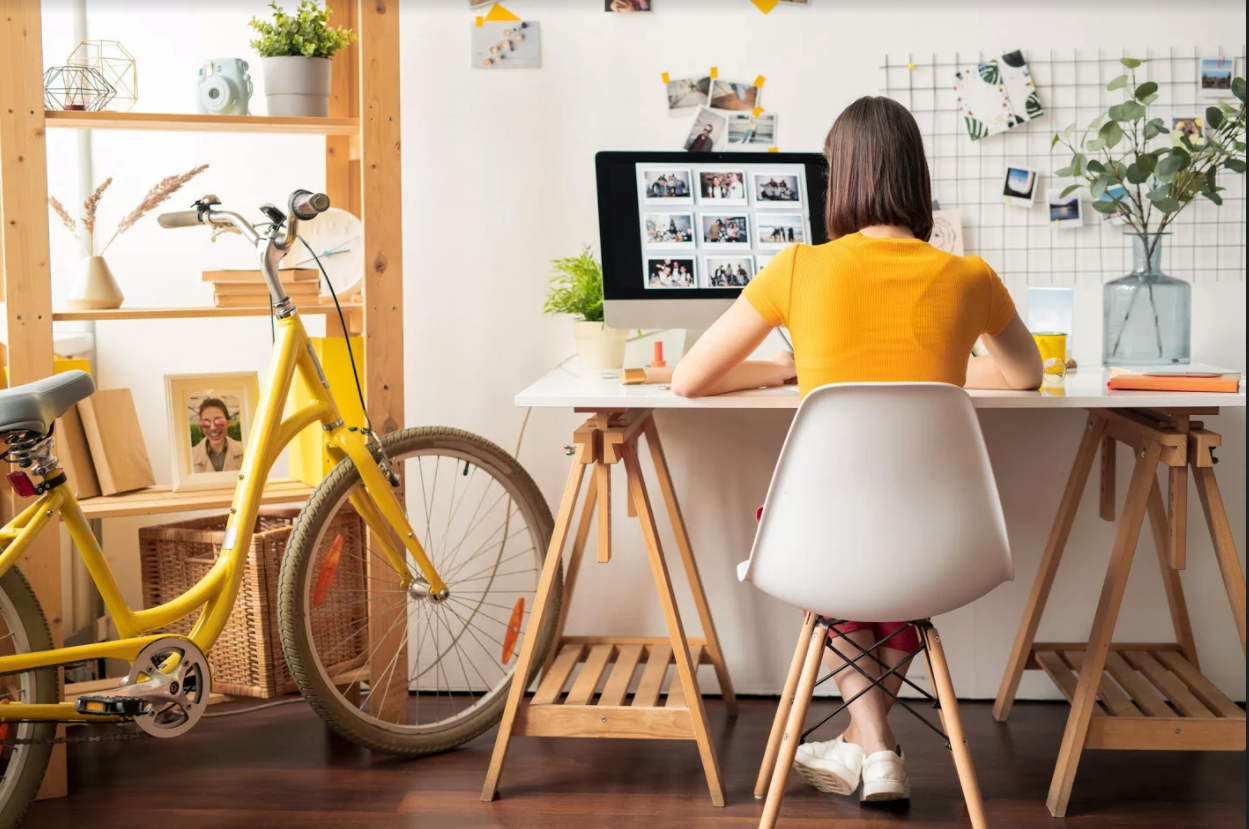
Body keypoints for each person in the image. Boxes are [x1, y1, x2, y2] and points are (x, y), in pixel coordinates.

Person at [669, 96, 1042, 805]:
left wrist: (789, 366)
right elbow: (1027, 373)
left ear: (838, 179)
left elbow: (690, 378)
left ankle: (869, 748)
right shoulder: (969, 277)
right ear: (916, 178)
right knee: (892, 541)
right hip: (940, 544)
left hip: (820, 544)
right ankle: (874, 750)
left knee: (827, 537)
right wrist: (954, 365)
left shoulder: (797, 269)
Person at [189, 397, 245, 474]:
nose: (213, 428)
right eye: (206, 422)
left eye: (219, 421)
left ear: (228, 422)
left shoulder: (245, 450)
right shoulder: (190, 457)